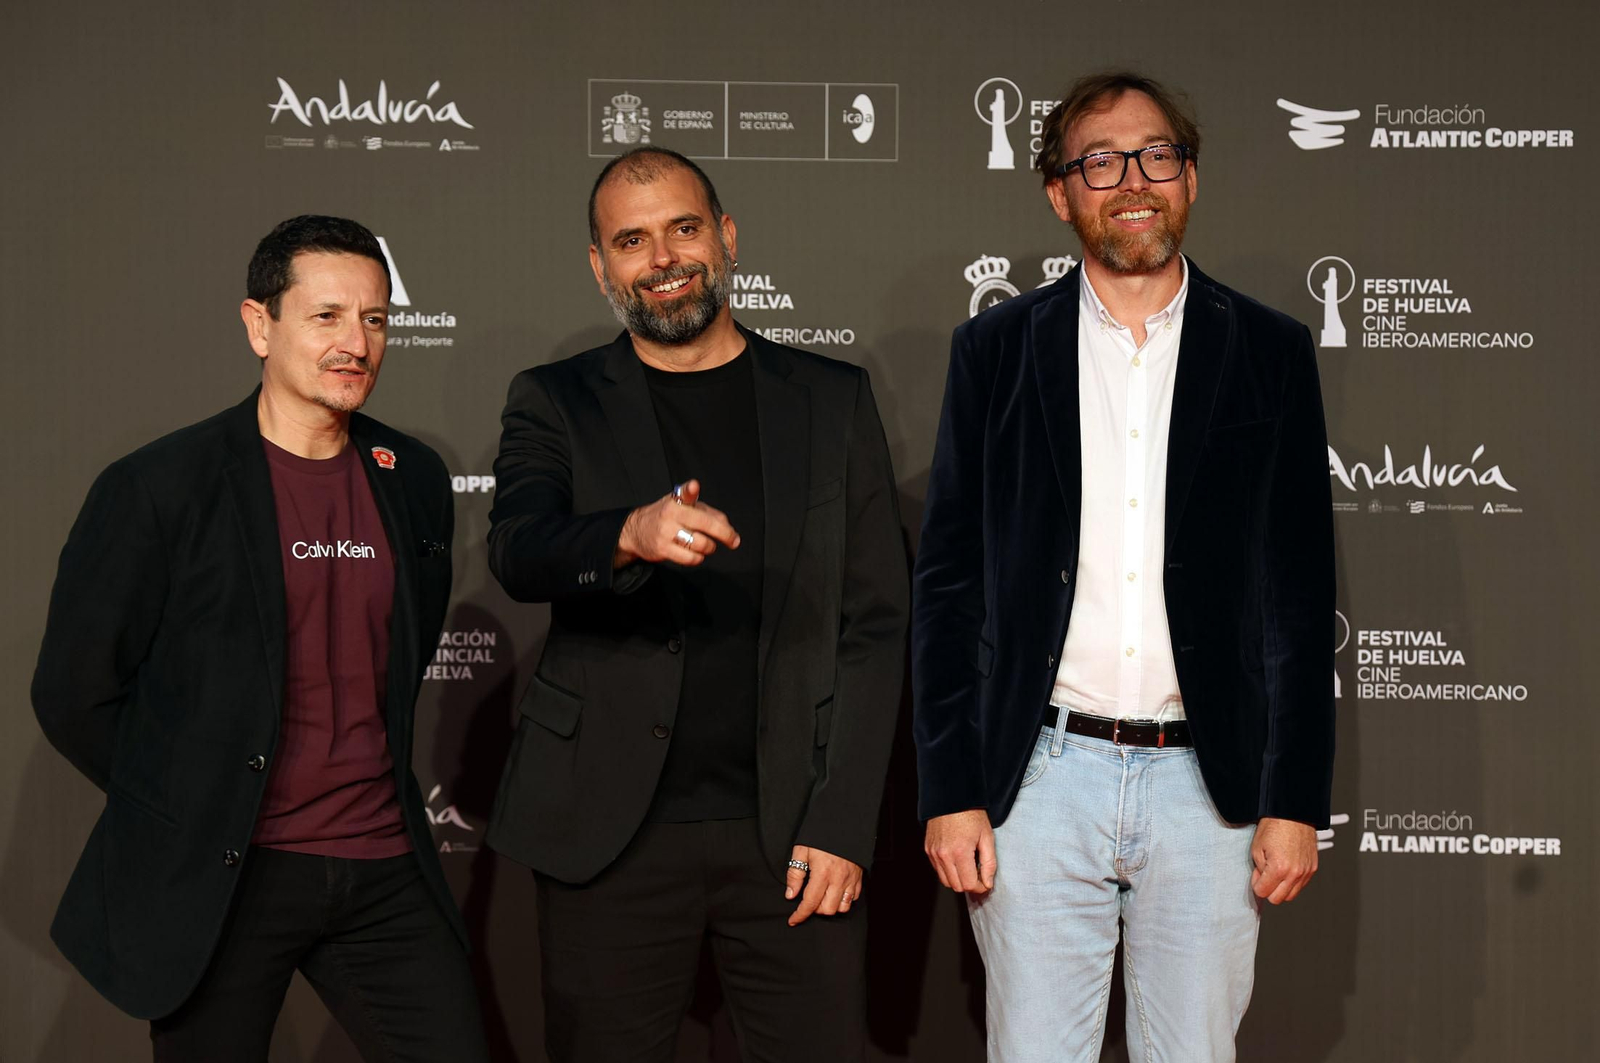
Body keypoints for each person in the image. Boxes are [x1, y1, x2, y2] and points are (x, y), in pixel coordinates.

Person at [913, 72, 1335, 1062]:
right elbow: (948, 585)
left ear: (1188, 178)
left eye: (1155, 156)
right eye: (1098, 160)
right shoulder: (994, 350)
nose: (1131, 179)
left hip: (1208, 783)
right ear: (1059, 192)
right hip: (1039, 779)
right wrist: (950, 787)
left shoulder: (1270, 352)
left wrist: (1295, 798)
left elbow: (1298, 590)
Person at [485, 146, 908, 1063]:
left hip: (793, 832)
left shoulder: (832, 400)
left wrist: (841, 825)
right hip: (608, 836)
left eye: (683, 228)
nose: (663, 256)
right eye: (631, 240)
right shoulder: (556, 401)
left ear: (725, 236)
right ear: (601, 268)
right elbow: (516, 548)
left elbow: (876, 622)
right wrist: (626, 534)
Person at [32, 215, 488, 1062]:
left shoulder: (414, 478)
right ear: (259, 324)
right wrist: (195, 794)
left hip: (383, 862)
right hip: (231, 872)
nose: (358, 342)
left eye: (376, 319)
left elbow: (405, 651)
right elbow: (73, 693)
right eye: (326, 317)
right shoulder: (159, 486)